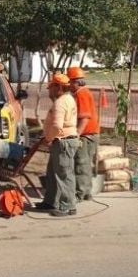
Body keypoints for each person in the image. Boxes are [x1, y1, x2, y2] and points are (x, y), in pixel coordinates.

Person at [39, 73, 81, 217]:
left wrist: (48, 138)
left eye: (51, 87)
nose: (49, 91)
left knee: (64, 174)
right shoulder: (68, 99)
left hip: (63, 142)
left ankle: (68, 206)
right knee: (52, 173)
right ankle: (50, 201)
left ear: (58, 87)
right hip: (63, 141)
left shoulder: (61, 102)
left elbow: (57, 126)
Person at [67, 66, 100, 201]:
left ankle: (80, 193)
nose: (68, 85)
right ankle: (86, 192)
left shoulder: (81, 94)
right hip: (90, 134)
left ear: (75, 82)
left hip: (87, 135)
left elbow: (85, 117)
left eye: (69, 82)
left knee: (81, 164)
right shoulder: (81, 93)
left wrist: (77, 134)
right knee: (85, 165)